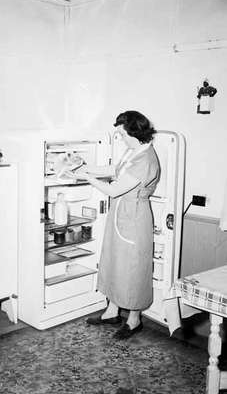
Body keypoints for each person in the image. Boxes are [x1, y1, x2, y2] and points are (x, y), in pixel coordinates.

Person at [73, 110, 160, 339]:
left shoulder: (146, 159)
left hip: (134, 218)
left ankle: (134, 319)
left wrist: (86, 178)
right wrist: (85, 167)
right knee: (113, 261)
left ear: (134, 132)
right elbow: (113, 171)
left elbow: (114, 189)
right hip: (120, 212)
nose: (120, 138)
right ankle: (112, 311)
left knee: (133, 268)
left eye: (122, 134)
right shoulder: (134, 152)